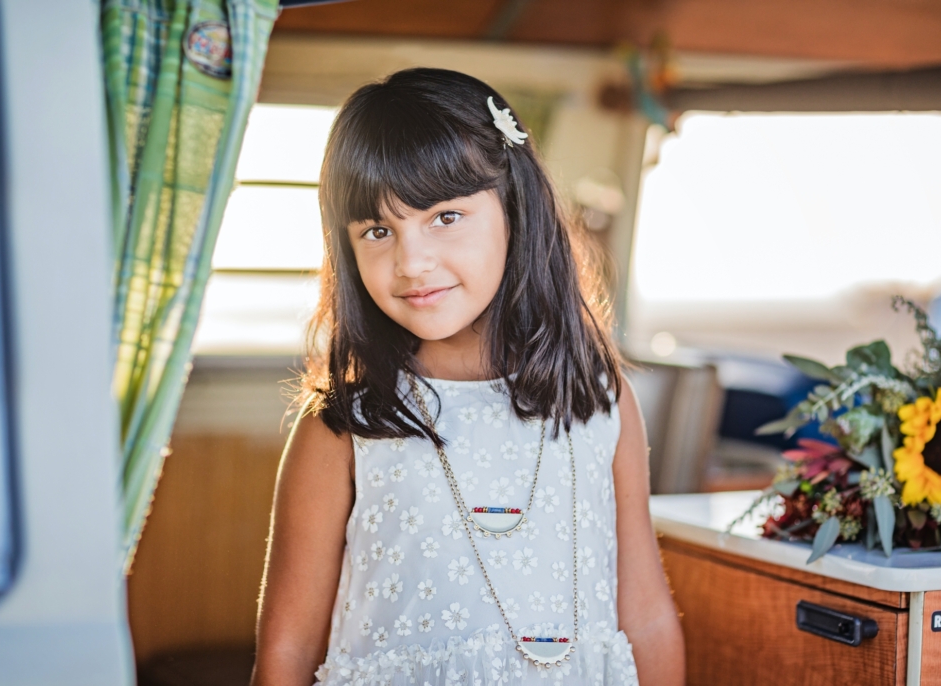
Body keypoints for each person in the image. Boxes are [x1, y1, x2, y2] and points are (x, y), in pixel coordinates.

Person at [252, 68, 685, 686]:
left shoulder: (599, 402)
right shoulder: (344, 428)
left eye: (444, 217)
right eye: (378, 230)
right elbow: (286, 655)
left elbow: (645, 619)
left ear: (515, 206)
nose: (412, 262)